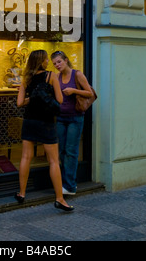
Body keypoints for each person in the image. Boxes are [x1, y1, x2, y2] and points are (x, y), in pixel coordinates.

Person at [16, 50, 74, 212]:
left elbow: (20, 102)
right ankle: (60, 199)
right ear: (41, 61)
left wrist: (32, 99)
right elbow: (60, 100)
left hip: (29, 121)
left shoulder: (26, 79)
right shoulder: (51, 76)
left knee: (26, 157)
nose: (49, 61)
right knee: (54, 161)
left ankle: (21, 193)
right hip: (46, 122)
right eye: (46, 59)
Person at [51, 51, 93, 195]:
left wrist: (74, 90)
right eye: (55, 63)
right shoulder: (56, 77)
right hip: (61, 118)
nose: (57, 65)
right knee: (61, 150)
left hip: (75, 118)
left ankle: (70, 186)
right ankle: (65, 182)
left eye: (59, 62)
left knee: (71, 151)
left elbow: (90, 93)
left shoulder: (77, 75)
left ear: (66, 60)